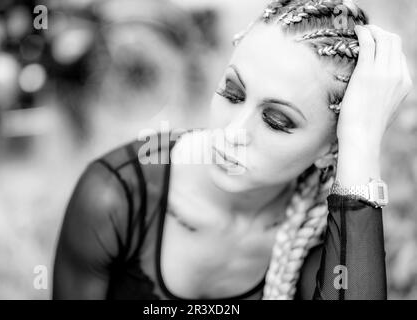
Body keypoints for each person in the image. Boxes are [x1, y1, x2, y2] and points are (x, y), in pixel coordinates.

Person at [52, 0, 412, 300]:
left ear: (330, 150)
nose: (232, 133)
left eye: (276, 120)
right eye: (232, 93)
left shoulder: (320, 231)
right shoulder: (115, 195)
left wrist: (361, 145)